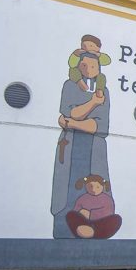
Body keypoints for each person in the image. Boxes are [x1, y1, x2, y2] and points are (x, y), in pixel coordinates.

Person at [50, 51, 114, 238]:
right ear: (77, 66)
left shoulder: (103, 92)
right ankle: (65, 228)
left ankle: (95, 228)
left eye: (93, 66)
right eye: (84, 65)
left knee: (97, 189)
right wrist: (92, 104)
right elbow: (69, 113)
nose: (89, 69)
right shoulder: (69, 86)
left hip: (93, 148)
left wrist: (72, 122)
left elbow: (98, 126)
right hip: (69, 145)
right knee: (65, 191)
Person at [66, 174, 121, 239]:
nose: (93, 189)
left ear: (102, 186)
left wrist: (91, 214)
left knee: (116, 219)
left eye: (97, 187)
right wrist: (81, 213)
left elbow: (108, 213)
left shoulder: (107, 199)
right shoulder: (82, 198)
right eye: (90, 186)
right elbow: (75, 211)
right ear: (86, 186)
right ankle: (84, 231)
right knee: (70, 214)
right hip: (84, 223)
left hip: (100, 224)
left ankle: (95, 233)